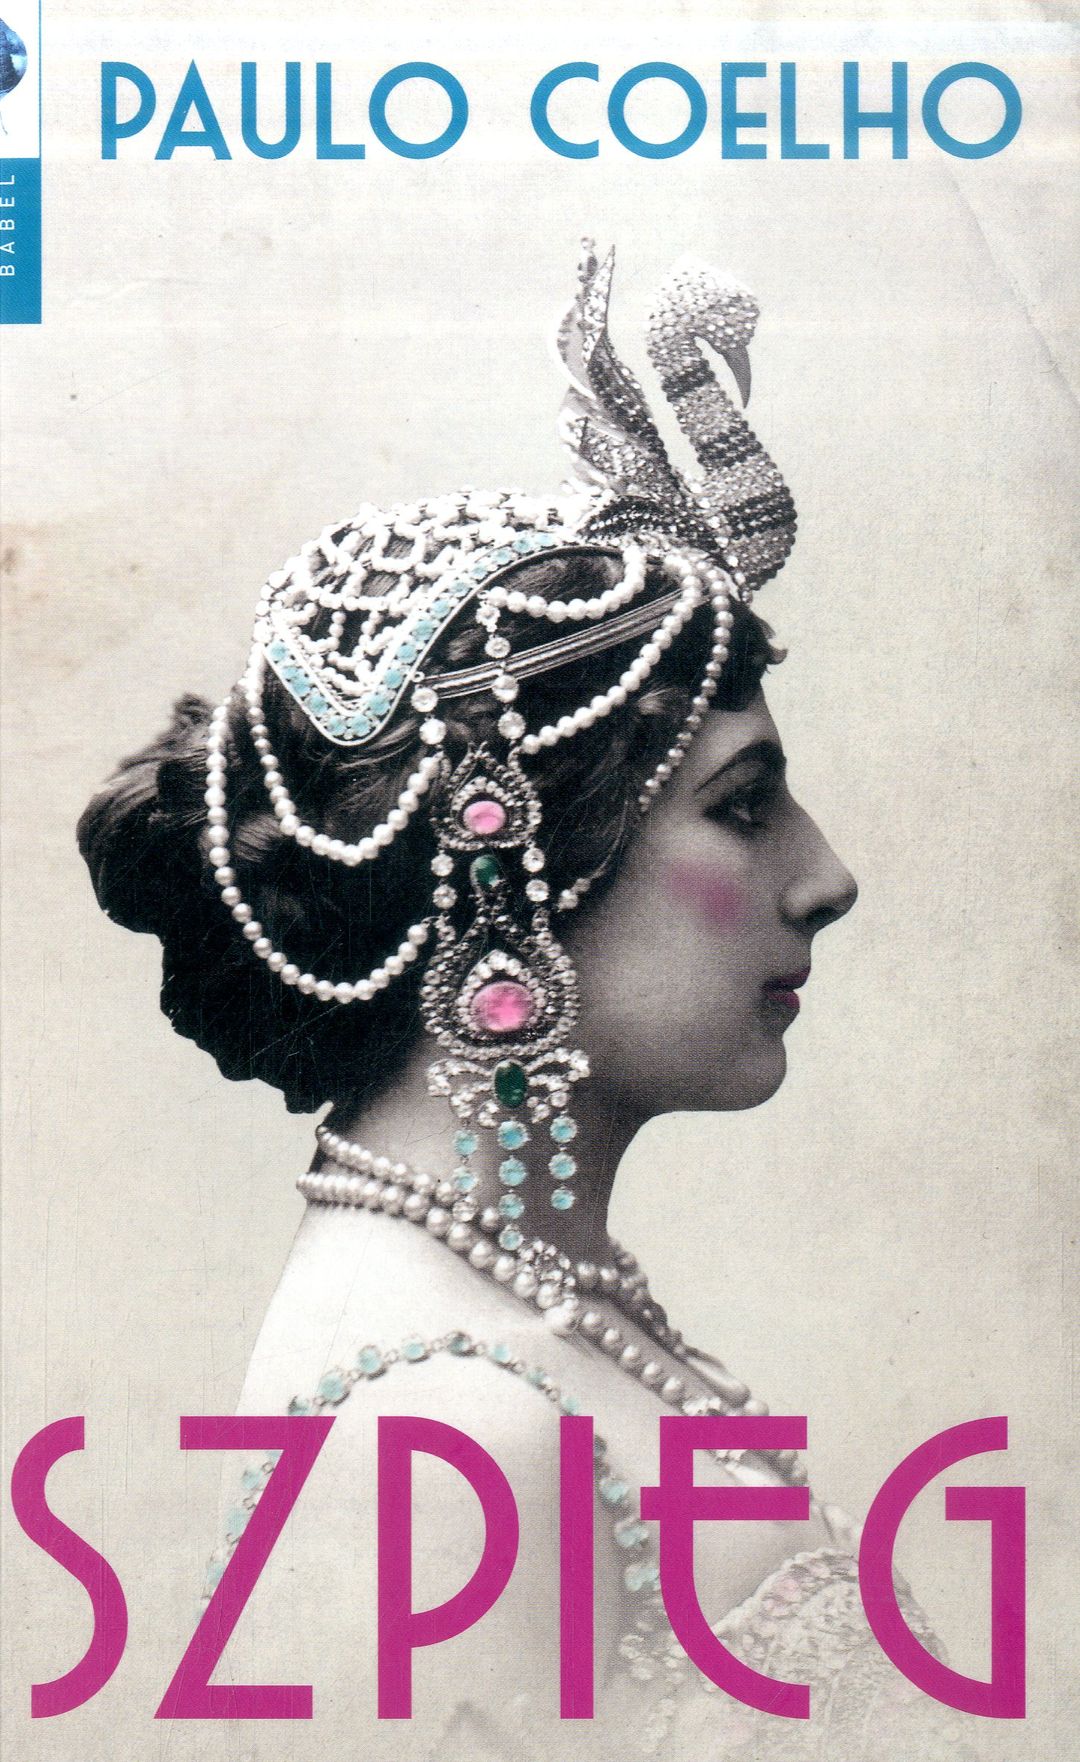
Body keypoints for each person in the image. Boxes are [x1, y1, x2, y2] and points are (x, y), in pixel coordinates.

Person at [79, 246, 974, 1759]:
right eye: (743, 807)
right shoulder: (442, 1437)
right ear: (514, 866)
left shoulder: (534, 1303)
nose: (827, 880)